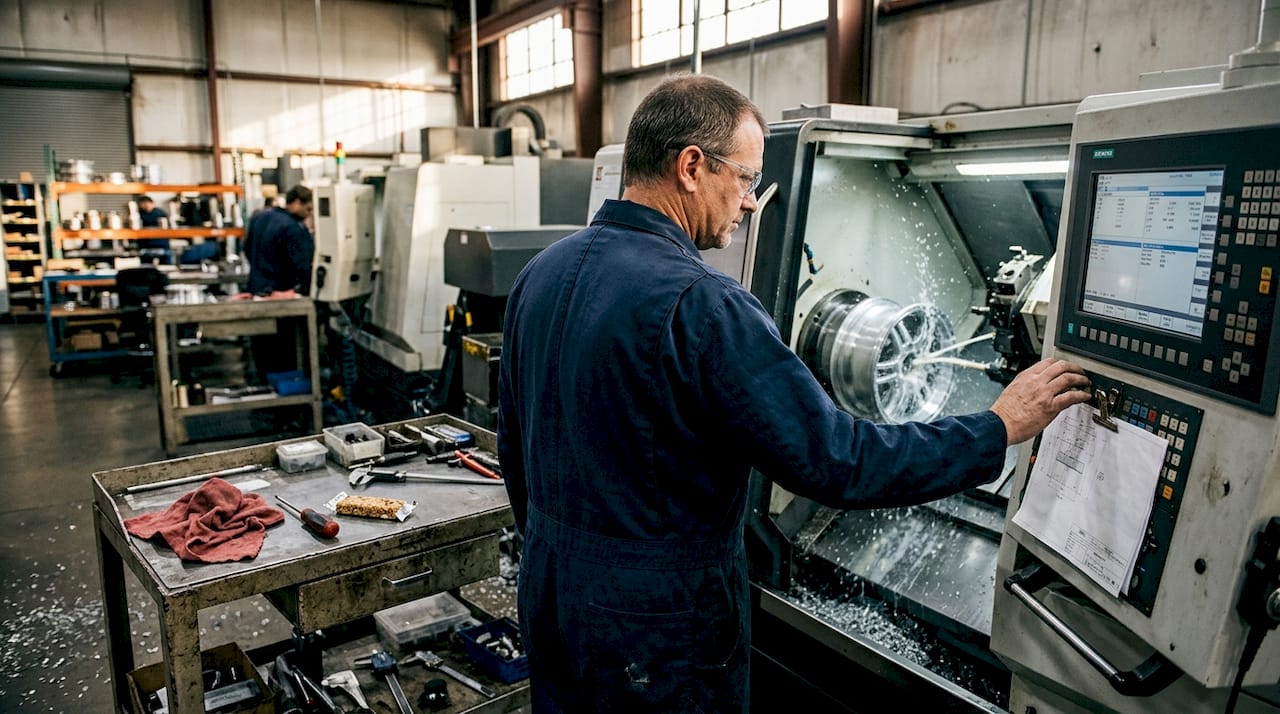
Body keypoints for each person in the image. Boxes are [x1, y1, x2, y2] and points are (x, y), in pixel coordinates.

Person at [496, 74, 1092, 713]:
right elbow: (839, 461)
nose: (753, 203)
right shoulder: (705, 306)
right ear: (691, 167)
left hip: (552, 596)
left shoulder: (542, 273)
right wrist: (996, 427)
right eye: (747, 179)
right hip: (656, 631)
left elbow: (516, 451)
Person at [242, 184, 314, 298]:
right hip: (282, 292)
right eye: (308, 209)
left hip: (257, 287)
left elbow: (247, 248)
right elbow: (302, 262)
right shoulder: (293, 227)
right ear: (297, 203)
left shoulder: (258, 217)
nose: (308, 214)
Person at [135, 195, 172, 262]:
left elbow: (167, 228)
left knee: (166, 263)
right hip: (145, 244)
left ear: (152, 203)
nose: (145, 205)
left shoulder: (160, 213)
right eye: (142, 204)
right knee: (146, 264)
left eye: (146, 203)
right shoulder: (139, 214)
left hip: (161, 244)